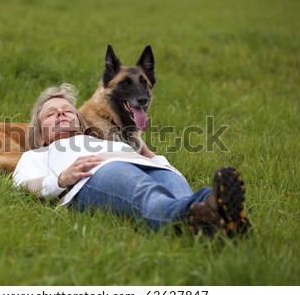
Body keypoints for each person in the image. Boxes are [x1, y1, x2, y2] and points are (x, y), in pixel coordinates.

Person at [13, 83, 251, 237]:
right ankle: (214, 206)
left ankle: (211, 218)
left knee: (179, 195)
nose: (61, 114)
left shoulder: (108, 141)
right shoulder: (36, 154)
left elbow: (158, 164)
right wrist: (61, 179)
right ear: (40, 134)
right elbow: (26, 183)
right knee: (148, 195)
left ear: (79, 121)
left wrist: (157, 159)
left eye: (67, 111)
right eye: (51, 113)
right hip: (95, 174)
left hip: (149, 167)